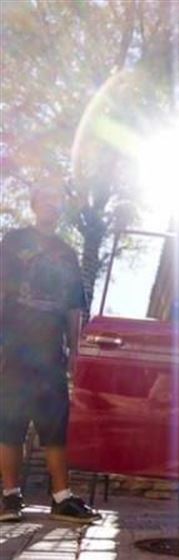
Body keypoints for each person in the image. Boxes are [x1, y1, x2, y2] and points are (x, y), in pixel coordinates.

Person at [0, 182, 101, 523]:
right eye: (46, 199)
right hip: (13, 348)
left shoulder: (66, 253)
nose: (51, 206)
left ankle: (61, 497)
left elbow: (74, 308)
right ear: (34, 205)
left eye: (56, 202)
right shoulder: (13, 243)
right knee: (9, 423)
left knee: (55, 425)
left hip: (50, 355)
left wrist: (74, 351)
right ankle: (10, 497)